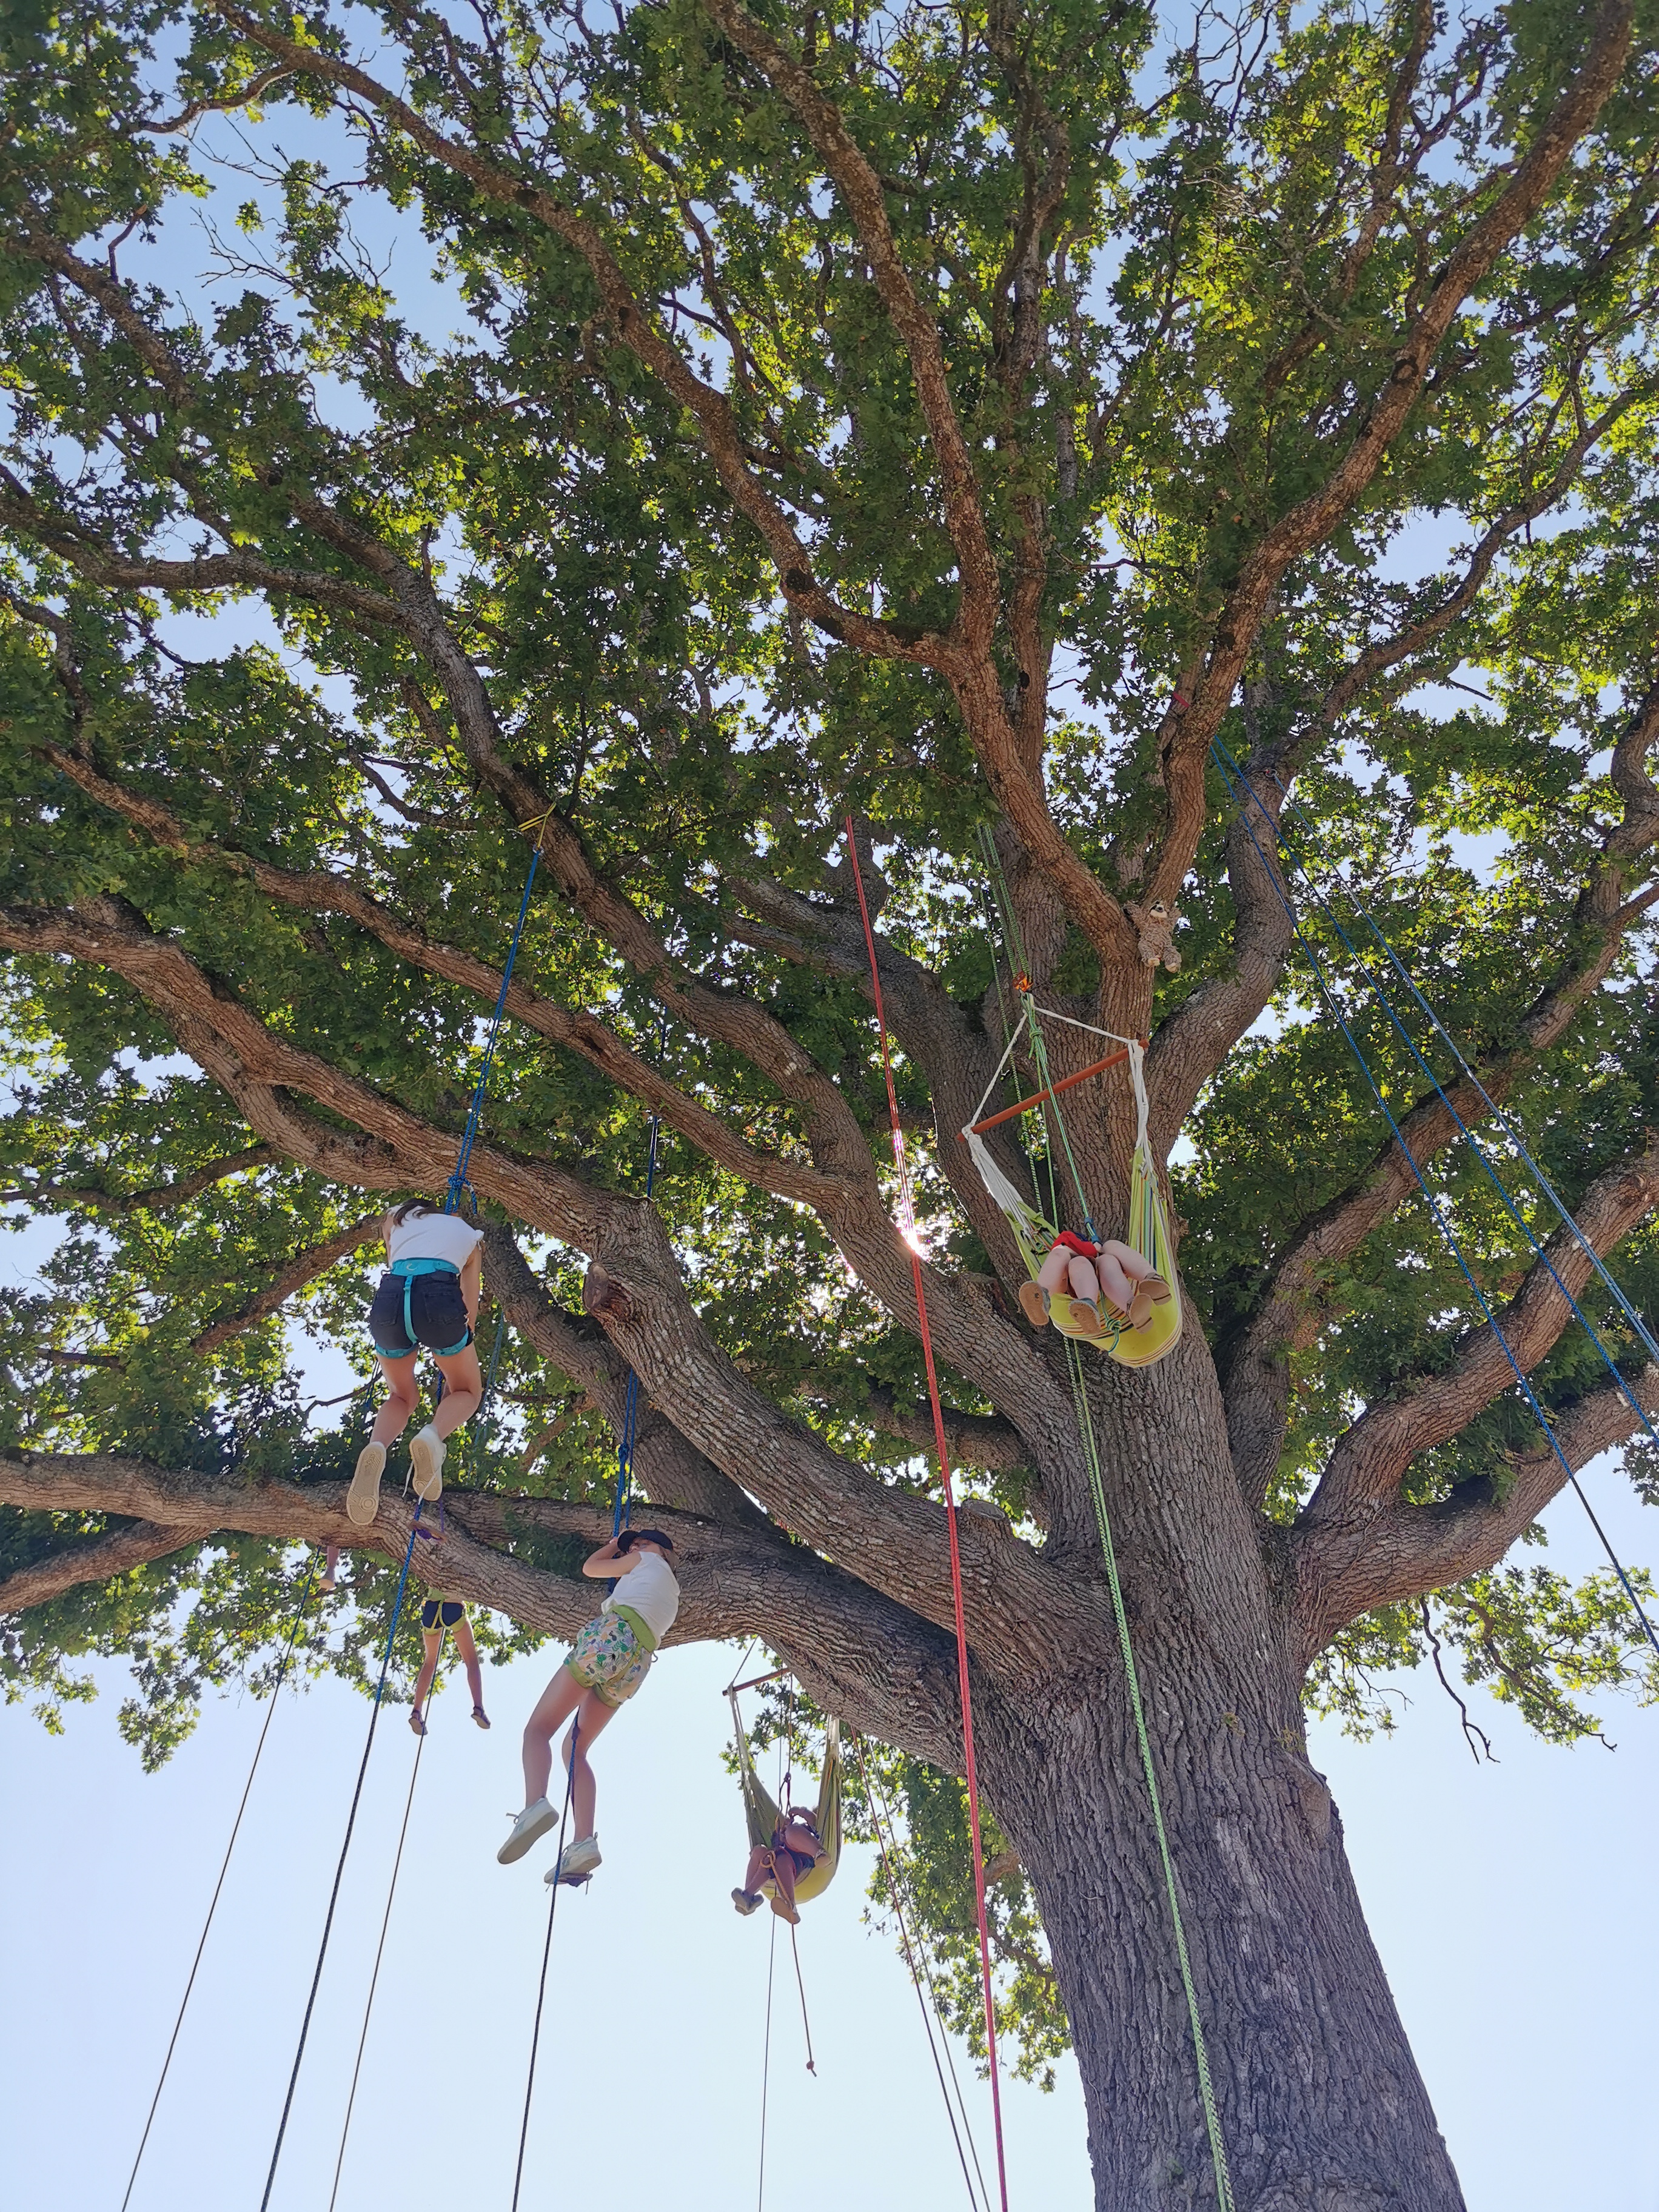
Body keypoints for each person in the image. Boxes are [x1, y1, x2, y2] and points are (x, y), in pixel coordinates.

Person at [495, 1527, 680, 1885]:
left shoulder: (645, 1560)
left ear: (662, 1550)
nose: (637, 1547)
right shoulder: (671, 1588)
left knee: (538, 1730)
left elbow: (591, 1569)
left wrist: (612, 1548)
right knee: (575, 1750)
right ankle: (583, 1842)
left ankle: (535, 1803)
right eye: (634, 1545)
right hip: (638, 1663)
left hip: (613, 1637)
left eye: (643, 1542)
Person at [347, 1200, 485, 1527]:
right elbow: (470, 1295)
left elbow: (389, 1244)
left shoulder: (398, 1218)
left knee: (401, 1396)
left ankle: (377, 1446)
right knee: (466, 1391)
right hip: (438, 1300)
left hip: (391, 1299)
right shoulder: (469, 1235)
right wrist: (460, 1340)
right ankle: (432, 1436)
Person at [1018, 1229, 1170, 1338]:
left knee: (1109, 1254)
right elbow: (1062, 1251)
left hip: (1104, 1273)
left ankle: (1141, 1296)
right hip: (1078, 1282)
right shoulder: (1069, 1251)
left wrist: (1098, 1249)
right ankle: (1043, 1298)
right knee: (1078, 1261)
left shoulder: (1104, 1255)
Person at [732, 1805, 826, 1927]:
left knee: (786, 1846)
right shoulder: (787, 1831)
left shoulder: (811, 1830)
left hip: (799, 1857)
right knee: (761, 1852)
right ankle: (748, 1896)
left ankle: (791, 1907)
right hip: (778, 1859)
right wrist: (781, 1829)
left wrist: (800, 1811)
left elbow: (813, 1819)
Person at [410, 1594, 490, 1734]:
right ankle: (478, 1708)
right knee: (471, 1661)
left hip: (431, 1610)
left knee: (429, 1661)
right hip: (453, 1605)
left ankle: (416, 1712)